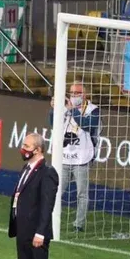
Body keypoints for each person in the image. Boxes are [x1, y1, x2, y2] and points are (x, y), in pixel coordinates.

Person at [6, 132, 59, 259]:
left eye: (27, 146)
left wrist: (40, 232)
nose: (23, 149)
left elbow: (47, 206)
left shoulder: (47, 173)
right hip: (22, 230)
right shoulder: (27, 168)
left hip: (36, 233)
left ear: (38, 149)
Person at [50, 82, 100, 232]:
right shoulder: (64, 107)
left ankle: (79, 224)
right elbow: (53, 123)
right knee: (56, 191)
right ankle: (50, 220)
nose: (73, 95)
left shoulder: (93, 110)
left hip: (81, 159)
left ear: (85, 95)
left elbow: (88, 125)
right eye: (71, 92)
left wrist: (72, 110)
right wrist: (53, 109)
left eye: (77, 93)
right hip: (64, 158)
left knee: (82, 194)